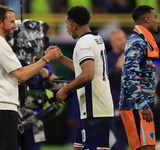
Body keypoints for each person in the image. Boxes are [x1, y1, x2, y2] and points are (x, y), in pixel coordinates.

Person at [0, 5, 62, 150]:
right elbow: (22, 75)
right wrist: (46, 59)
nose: (14, 27)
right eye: (11, 22)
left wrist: (46, 73)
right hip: (3, 109)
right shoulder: (2, 45)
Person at [47, 5, 114, 150]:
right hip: (94, 108)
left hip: (95, 109)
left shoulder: (84, 43)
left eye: (66, 23)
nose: (66, 27)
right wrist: (60, 58)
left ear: (74, 25)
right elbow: (83, 69)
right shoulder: (96, 38)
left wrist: (65, 89)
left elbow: (88, 75)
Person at [119, 5, 159, 150]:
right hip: (136, 106)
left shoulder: (142, 40)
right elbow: (129, 75)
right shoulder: (136, 41)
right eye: (155, 18)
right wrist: (142, 104)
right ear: (147, 19)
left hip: (141, 106)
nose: (157, 21)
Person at [107, 28, 128, 150]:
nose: (123, 42)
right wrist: (118, 67)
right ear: (112, 43)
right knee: (117, 143)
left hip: (132, 104)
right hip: (115, 105)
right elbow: (104, 78)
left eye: (124, 38)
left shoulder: (132, 57)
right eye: (119, 40)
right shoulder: (107, 58)